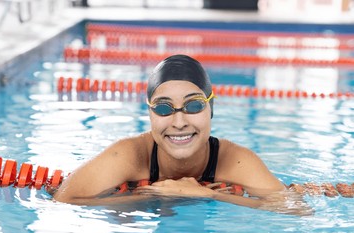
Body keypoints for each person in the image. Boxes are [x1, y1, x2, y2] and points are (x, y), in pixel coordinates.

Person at [53, 54, 311, 215]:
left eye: (194, 105)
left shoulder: (236, 160)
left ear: (211, 108)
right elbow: (65, 199)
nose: (179, 122)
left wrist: (210, 195)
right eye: (164, 108)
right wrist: (146, 199)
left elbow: (296, 209)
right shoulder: (128, 154)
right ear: (150, 114)